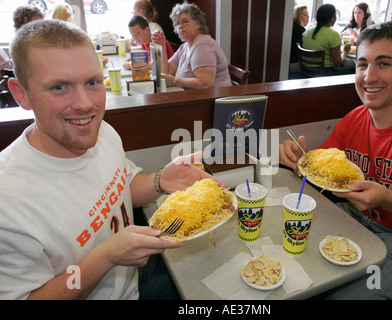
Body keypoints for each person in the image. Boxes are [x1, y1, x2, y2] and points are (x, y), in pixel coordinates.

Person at [0, 19, 222, 300]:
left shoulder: (102, 132)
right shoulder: (7, 202)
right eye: (59, 87)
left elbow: (121, 188)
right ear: (22, 94)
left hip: (139, 278)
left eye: (92, 82)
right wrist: (104, 257)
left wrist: (160, 180)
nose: (85, 104)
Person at [279, 21, 392, 299]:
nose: (369, 77)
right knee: (287, 257)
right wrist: (296, 160)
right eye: (362, 64)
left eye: (383, 64)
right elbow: (319, 175)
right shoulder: (353, 119)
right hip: (358, 220)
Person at [152, 2, 232, 90]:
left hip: (212, 100)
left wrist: (174, 81)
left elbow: (205, 83)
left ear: (198, 24)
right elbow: (166, 72)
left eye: (185, 21)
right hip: (193, 97)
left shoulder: (203, 45)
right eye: (177, 23)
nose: (180, 26)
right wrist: (162, 46)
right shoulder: (185, 46)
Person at [302, 4, 355, 76]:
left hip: (306, 71)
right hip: (325, 73)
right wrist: (345, 52)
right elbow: (337, 63)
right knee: (353, 67)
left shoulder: (307, 32)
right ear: (332, 18)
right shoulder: (333, 35)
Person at [289, 5, 309, 77]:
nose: (308, 17)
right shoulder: (301, 30)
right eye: (305, 15)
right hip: (295, 64)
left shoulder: (290, 27)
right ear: (297, 16)